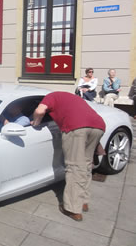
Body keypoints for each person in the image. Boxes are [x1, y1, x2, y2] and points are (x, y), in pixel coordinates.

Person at [31, 92, 106, 221]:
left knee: (74, 167)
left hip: (76, 127)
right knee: (86, 165)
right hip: (98, 126)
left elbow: (40, 110)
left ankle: (72, 209)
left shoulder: (50, 96)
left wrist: (36, 122)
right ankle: (83, 201)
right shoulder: (70, 97)